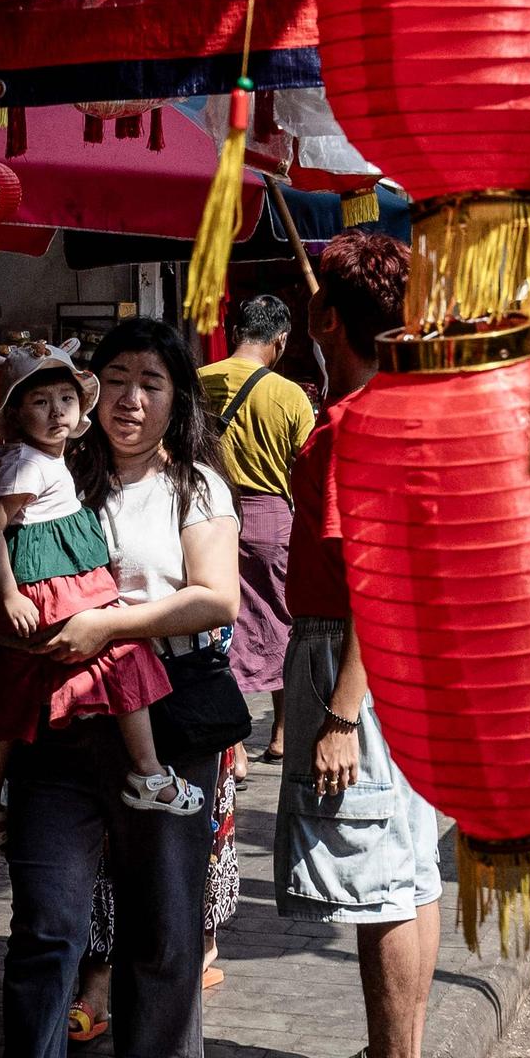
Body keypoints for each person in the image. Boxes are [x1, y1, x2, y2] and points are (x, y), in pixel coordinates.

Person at [0, 318, 240, 1058]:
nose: (132, 399)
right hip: (62, 718)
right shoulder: (52, 471)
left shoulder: (194, 486)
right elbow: (5, 569)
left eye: (153, 382)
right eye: (117, 379)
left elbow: (215, 600)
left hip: (165, 715)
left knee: (160, 907)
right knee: (48, 919)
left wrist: (110, 624)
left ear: (178, 398)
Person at [271, 232, 442, 1058]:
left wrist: (342, 712)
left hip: (359, 657)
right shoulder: (407, 408)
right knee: (410, 871)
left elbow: (378, 578)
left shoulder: (355, 424)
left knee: (379, 875)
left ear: (326, 319)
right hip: (404, 665)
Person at [0, 340, 197, 823]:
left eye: (65, 400)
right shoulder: (28, 462)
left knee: (16, 679)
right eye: (39, 402)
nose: (56, 413)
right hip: (48, 583)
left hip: (52, 578)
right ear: (16, 414)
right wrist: (9, 594)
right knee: (123, 652)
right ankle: (147, 770)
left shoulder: (49, 459)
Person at [198, 295, 315, 764]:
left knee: (217, 625)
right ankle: (282, 733)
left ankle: (234, 744)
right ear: (280, 341)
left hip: (206, 516)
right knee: (279, 624)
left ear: (234, 331)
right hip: (271, 522)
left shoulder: (197, 383)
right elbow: (306, 470)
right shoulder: (289, 396)